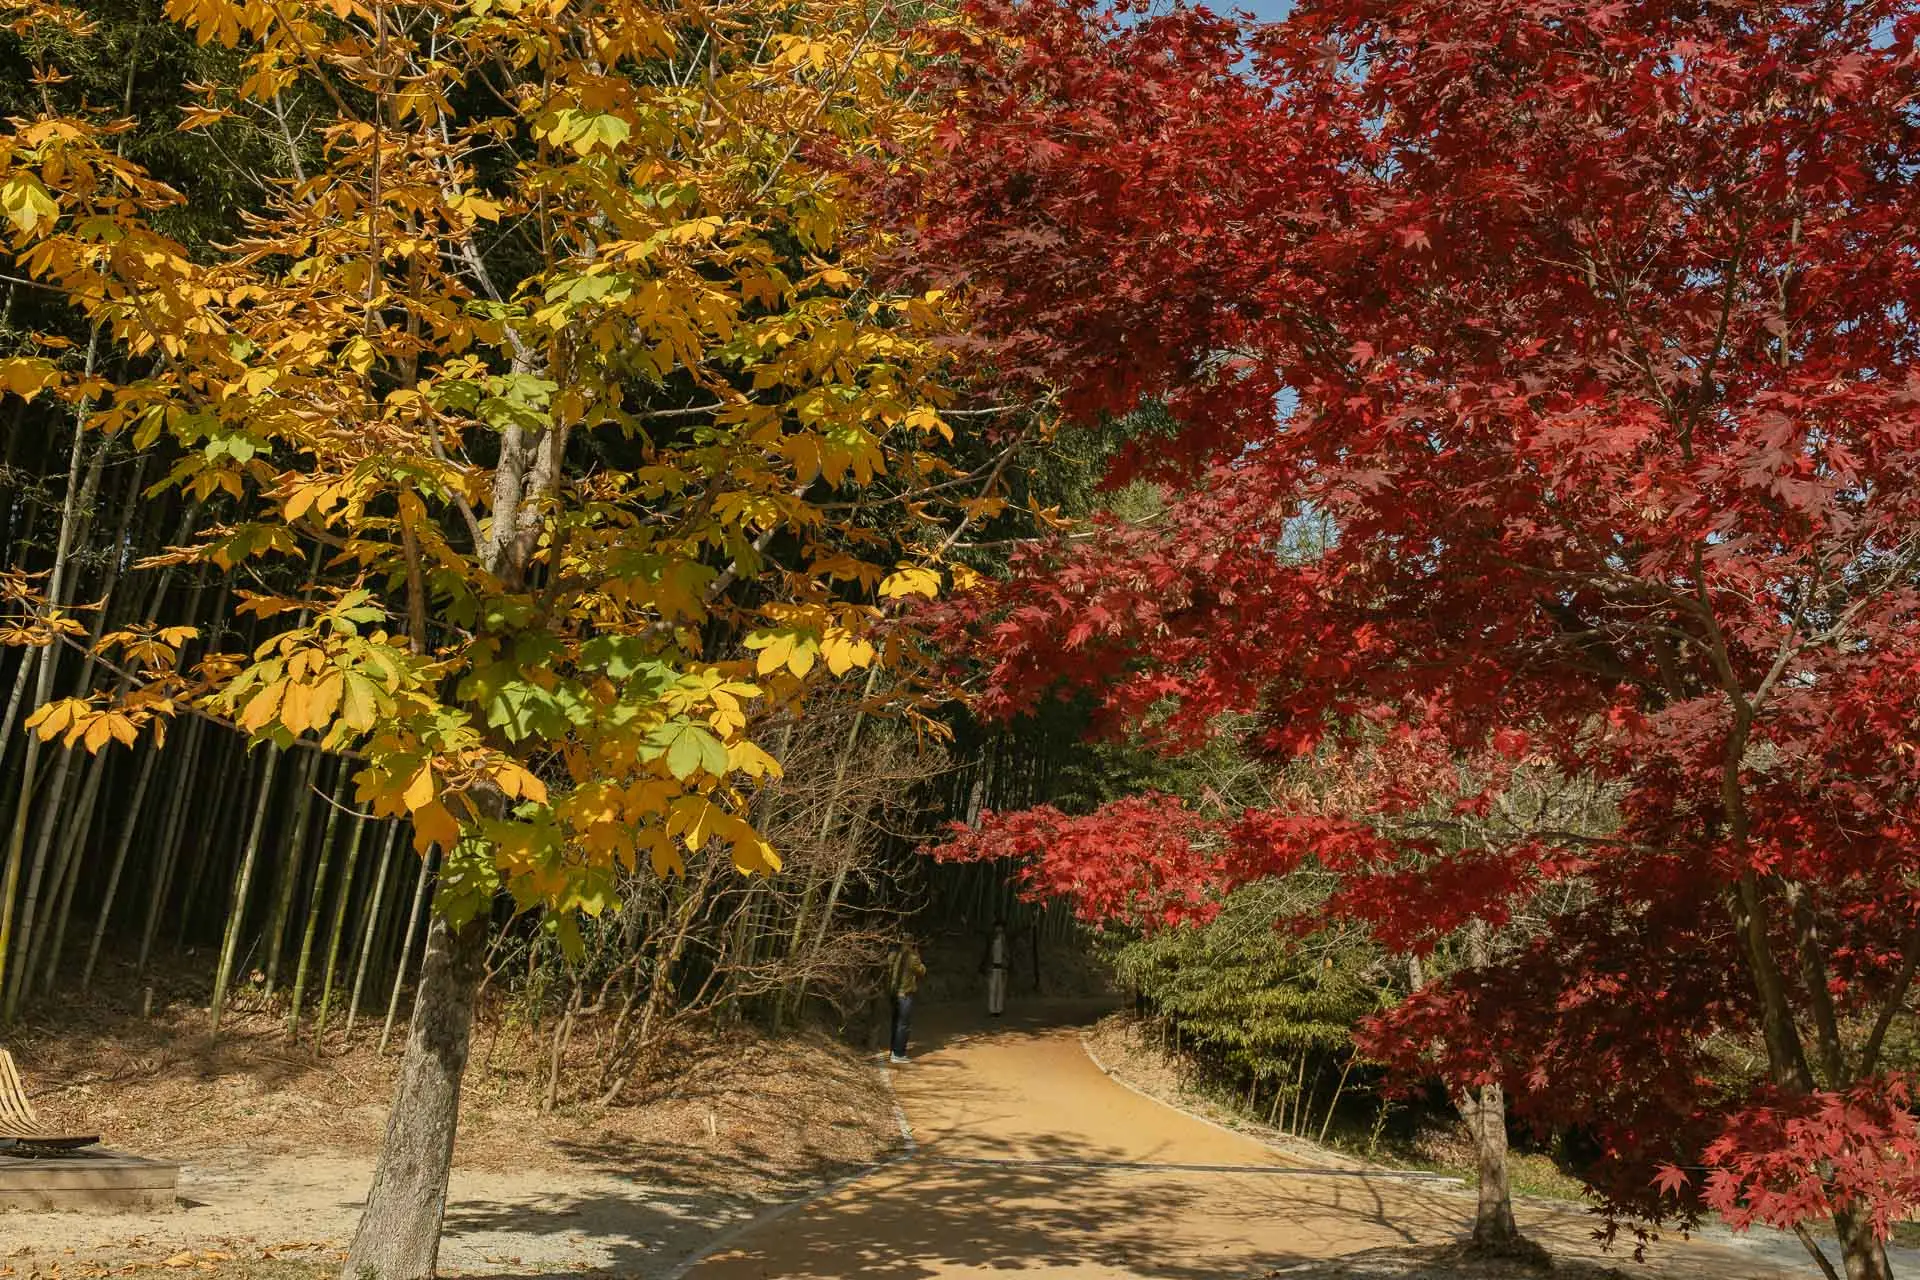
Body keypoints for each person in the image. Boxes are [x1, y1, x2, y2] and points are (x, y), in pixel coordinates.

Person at [887, 937, 926, 1064]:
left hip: (893, 993)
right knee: (903, 1025)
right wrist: (917, 955)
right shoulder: (912, 958)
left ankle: (894, 1050)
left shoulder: (893, 955)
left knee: (896, 1023)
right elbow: (922, 971)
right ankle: (898, 1054)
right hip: (905, 994)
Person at [981, 918, 1009, 1017]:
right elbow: (988, 953)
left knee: (1000, 989)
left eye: (1000, 927)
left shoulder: (1005, 940)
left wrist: (1006, 963)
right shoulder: (991, 939)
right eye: (998, 927)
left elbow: (1006, 953)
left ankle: (999, 1009)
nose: (999, 929)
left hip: (1002, 967)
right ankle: (992, 1009)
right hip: (992, 966)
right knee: (992, 988)